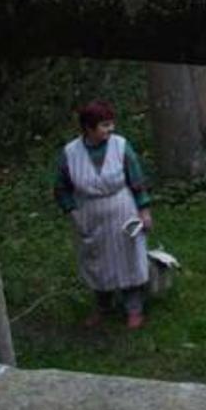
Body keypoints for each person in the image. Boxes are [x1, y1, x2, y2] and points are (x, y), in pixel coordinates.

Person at [53, 99, 154, 330]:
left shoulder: (121, 146)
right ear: (88, 128)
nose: (110, 130)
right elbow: (61, 188)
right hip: (89, 215)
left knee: (128, 258)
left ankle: (134, 309)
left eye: (111, 124)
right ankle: (102, 306)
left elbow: (136, 180)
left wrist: (144, 210)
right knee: (97, 262)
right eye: (104, 125)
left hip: (122, 210)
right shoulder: (70, 153)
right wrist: (72, 211)